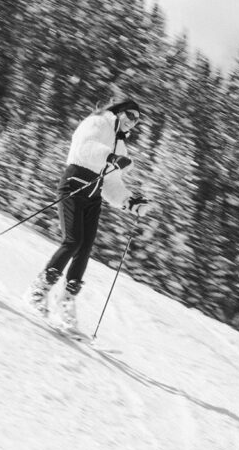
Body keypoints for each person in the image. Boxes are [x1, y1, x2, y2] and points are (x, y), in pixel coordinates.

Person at [25, 95, 151, 333]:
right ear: (119, 111)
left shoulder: (119, 142)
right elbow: (85, 147)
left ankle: (65, 302)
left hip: (93, 195)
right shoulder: (98, 122)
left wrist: (129, 201)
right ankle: (38, 290)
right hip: (74, 184)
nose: (133, 123)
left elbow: (112, 183)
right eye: (131, 115)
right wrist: (111, 157)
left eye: (137, 121)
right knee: (72, 240)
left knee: (85, 247)